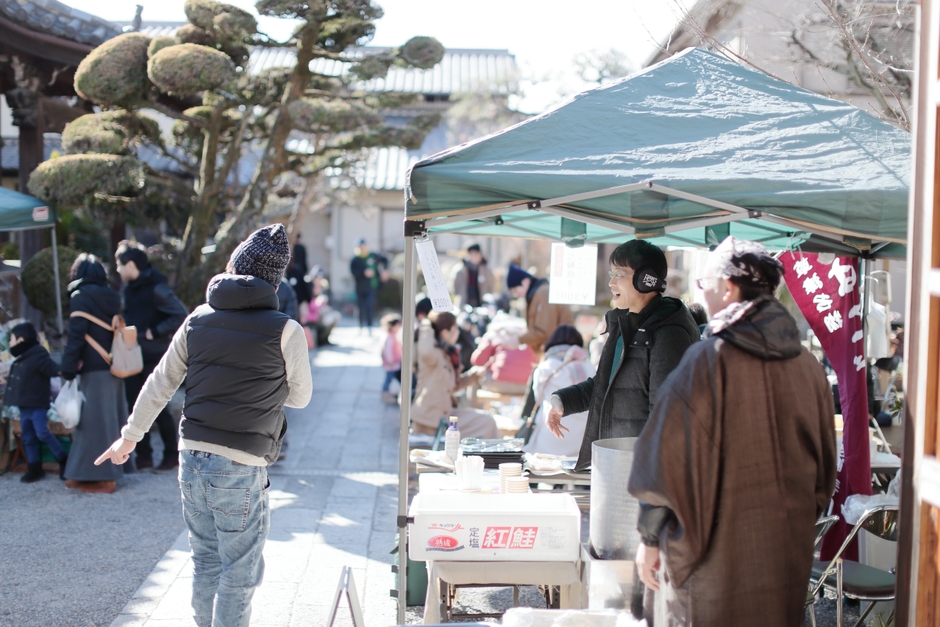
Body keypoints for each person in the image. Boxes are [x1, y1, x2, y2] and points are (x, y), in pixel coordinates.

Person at [95, 223, 313, 627]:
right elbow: (300, 398)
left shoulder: (198, 319)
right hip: (241, 463)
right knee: (240, 571)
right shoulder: (287, 330)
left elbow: (160, 384)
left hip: (191, 454)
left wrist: (128, 438)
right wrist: (260, 387)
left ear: (233, 266)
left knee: (206, 561)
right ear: (275, 280)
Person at [628, 237, 838, 626]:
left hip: (715, 561)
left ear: (728, 288)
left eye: (703, 285)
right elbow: (825, 474)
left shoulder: (708, 360)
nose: (701, 294)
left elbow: (666, 460)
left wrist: (650, 538)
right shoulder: (809, 368)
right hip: (784, 555)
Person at [546, 241, 699, 471]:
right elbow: (603, 385)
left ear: (646, 279)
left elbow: (667, 416)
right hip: (616, 461)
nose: (611, 282)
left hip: (644, 470)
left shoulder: (669, 335)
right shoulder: (623, 326)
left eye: (619, 274)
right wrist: (563, 402)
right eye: (611, 273)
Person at [115, 241, 188, 472]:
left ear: (130, 264)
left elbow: (180, 314)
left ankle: (171, 455)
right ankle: (143, 455)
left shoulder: (157, 287)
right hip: (133, 355)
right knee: (134, 405)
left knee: (159, 406)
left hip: (155, 355)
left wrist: (153, 332)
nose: (117, 270)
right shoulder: (128, 288)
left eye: (119, 264)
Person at [60, 254, 128, 493]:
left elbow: (76, 337)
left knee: (93, 426)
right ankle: (87, 474)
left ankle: (104, 478)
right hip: (115, 365)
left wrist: (66, 370)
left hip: (93, 368)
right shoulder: (112, 296)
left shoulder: (80, 297)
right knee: (111, 422)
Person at [412, 311, 498, 439]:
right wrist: (426, 324)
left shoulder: (445, 353)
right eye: (456, 328)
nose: (458, 332)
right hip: (431, 420)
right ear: (445, 332)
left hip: (444, 414)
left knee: (487, 420)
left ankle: (486, 458)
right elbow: (425, 352)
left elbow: (451, 387)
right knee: (486, 423)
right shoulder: (433, 354)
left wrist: (474, 375)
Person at [4, 322, 65, 482]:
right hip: (24, 406)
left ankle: (63, 459)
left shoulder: (38, 356)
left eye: (11, 339)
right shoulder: (22, 358)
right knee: (27, 437)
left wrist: (67, 368)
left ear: (21, 339)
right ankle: (34, 467)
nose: (10, 343)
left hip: (37, 404)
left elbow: (52, 368)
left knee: (42, 433)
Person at [522, 324, 594, 456]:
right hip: (583, 445)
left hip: (549, 442)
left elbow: (538, 398)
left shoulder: (545, 367)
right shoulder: (589, 367)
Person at [506, 264, 574, 354]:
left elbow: (544, 331)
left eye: (515, 290)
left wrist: (520, 339)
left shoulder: (543, 294)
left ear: (525, 281)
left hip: (559, 351)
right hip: (558, 350)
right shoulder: (538, 293)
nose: (516, 295)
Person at [470, 322, 537, 396]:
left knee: (475, 373)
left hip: (499, 384)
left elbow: (477, 361)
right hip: (526, 385)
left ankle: (471, 405)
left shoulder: (495, 335)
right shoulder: (528, 337)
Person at [349, 237, 387, 334]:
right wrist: (363, 273)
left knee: (369, 305)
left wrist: (384, 271)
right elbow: (353, 271)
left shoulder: (372, 256)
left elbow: (385, 259)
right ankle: (360, 326)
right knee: (360, 307)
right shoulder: (355, 259)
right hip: (360, 287)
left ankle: (370, 326)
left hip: (371, 286)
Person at [451, 243, 496, 309]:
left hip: (482, 302)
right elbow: (454, 287)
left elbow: (491, 286)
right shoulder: (460, 269)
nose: (475, 256)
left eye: (476, 254)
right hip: (464, 302)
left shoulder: (486, 270)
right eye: (472, 254)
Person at [381, 314, 403, 404]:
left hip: (395, 363)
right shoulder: (389, 338)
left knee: (392, 378)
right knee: (389, 379)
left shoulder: (393, 336)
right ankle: (385, 393)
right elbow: (388, 351)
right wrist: (390, 361)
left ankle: (388, 393)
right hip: (392, 364)